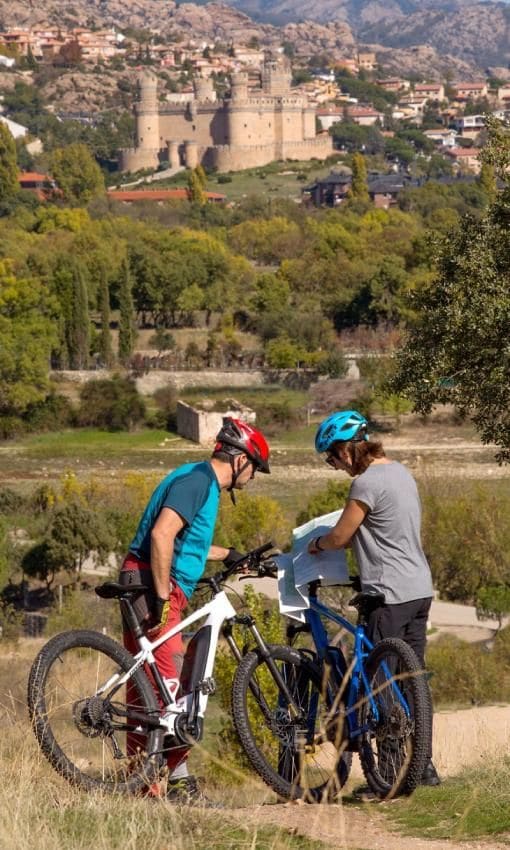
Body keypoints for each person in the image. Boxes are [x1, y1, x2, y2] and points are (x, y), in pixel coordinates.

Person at [119, 417, 270, 805]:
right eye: (255, 468)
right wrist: (162, 595)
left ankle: (145, 785)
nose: (253, 478)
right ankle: (179, 786)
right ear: (240, 461)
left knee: (151, 690)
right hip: (154, 585)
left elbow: (186, 543)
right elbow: (161, 534)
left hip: (150, 582)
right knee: (170, 691)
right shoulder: (199, 482)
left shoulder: (197, 480)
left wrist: (230, 555)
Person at [307, 409, 440, 792]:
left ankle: (392, 774)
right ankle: (423, 768)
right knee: (410, 680)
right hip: (419, 588)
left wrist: (316, 544)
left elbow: (339, 537)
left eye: (332, 458)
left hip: (388, 592)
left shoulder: (365, 483)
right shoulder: (400, 472)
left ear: (347, 450)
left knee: (381, 682)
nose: (334, 466)